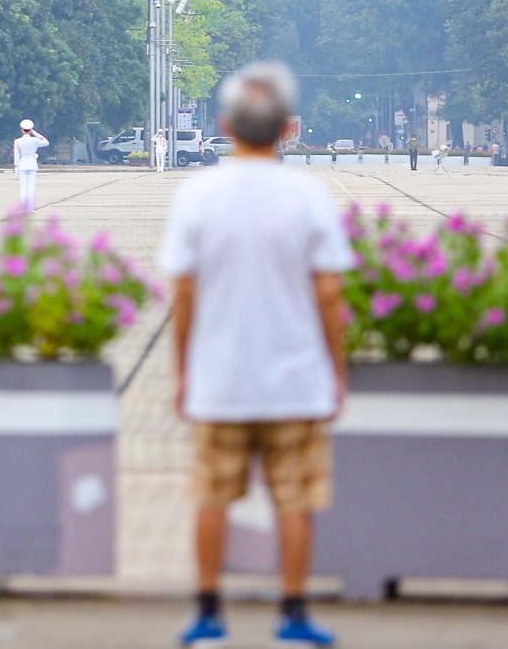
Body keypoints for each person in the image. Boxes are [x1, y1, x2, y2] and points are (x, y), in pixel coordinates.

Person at [159, 62, 352, 647]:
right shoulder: (309, 196)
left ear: (225, 126)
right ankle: (293, 614)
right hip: (295, 381)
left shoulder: (198, 195)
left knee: (211, 497)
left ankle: (208, 613)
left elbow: (183, 293)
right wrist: (336, 373)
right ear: (287, 130)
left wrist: (185, 371)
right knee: (295, 501)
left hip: (220, 380)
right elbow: (329, 295)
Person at [12, 119, 50, 212]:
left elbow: (17, 156)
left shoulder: (18, 141)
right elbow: (46, 142)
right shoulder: (35, 140)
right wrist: (35, 133)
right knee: (31, 186)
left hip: (22, 164)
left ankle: (23, 207)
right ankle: (30, 208)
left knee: (23, 187)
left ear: (22, 129)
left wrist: (16, 168)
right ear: (30, 129)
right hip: (32, 164)